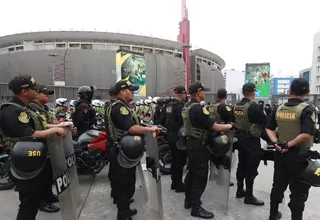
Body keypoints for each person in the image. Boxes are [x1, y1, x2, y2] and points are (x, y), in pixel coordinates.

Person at [0, 75, 67, 220]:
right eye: (33, 89)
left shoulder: (24, 108)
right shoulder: (12, 111)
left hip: (32, 159)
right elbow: (29, 134)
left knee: (33, 200)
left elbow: (38, 126)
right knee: (28, 203)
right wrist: (54, 130)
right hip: (23, 163)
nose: (37, 92)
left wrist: (55, 126)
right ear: (24, 92)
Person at [107, 79, 158, 220]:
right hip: (121, 151)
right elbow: (131, 128)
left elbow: (133, 123)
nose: (133, 93)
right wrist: (149, 129)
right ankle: (123, 215)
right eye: (131, 90)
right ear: (122, 92)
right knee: (124, 184)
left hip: (125, 149)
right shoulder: (120, 108)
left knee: (127, 182)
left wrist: (146, 126)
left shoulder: (123, 106)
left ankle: (125, 210)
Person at [265, 78, 315, 220]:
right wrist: (289, 144)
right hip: (300, 156)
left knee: (278, 185)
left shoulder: (279, 109)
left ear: (289, 91)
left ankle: (273, 215)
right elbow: (306, 134)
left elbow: (268, 128)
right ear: (307, 92)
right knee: (298, 192)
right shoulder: (307, 110)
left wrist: (277, 143)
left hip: (281, 154)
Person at [183, 82, 233, 219]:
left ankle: (188, 200)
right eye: (203, 91)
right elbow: (214, 126)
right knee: (200, 176)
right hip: (199, 145)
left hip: (190, 143)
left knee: (191, 173)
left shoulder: (187, 106)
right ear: (198, 92)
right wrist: (229, 126)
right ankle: (196, 207)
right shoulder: (199, 109)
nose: (204, 93)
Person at [233, 83, 266, 206]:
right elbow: (265, 122)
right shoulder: (254, 107)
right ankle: (249, 196)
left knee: (241, 166)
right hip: (252, 141)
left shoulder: (236, 106)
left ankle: (239, 190)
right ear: (253, 92)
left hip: (240, 140)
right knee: (251, 169)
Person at [207, 88, 235, 186]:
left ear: (217, 96)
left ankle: (213, 175)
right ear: (226, 96)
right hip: (223, 134)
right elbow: (230, 119)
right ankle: (222, 179)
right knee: (225, 157)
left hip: (212, 134)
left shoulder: (209, 106)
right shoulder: (223, 107)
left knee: (214, 155)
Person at [165, 86, 187, 193]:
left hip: (170, 135)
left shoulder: (169, 105)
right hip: (178, 137)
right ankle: (178, 185)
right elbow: (184, 121)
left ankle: (174, 182)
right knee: (180, 161)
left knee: (174, 161)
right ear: (182, 94)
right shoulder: (179, 106)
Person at [104, 86, 117, 200]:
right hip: (114, 141)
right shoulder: (115, 107)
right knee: (116, 170)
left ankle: (115, 192)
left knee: (113, 169)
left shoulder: (108, 105)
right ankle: (117, 194)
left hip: (110, 140)